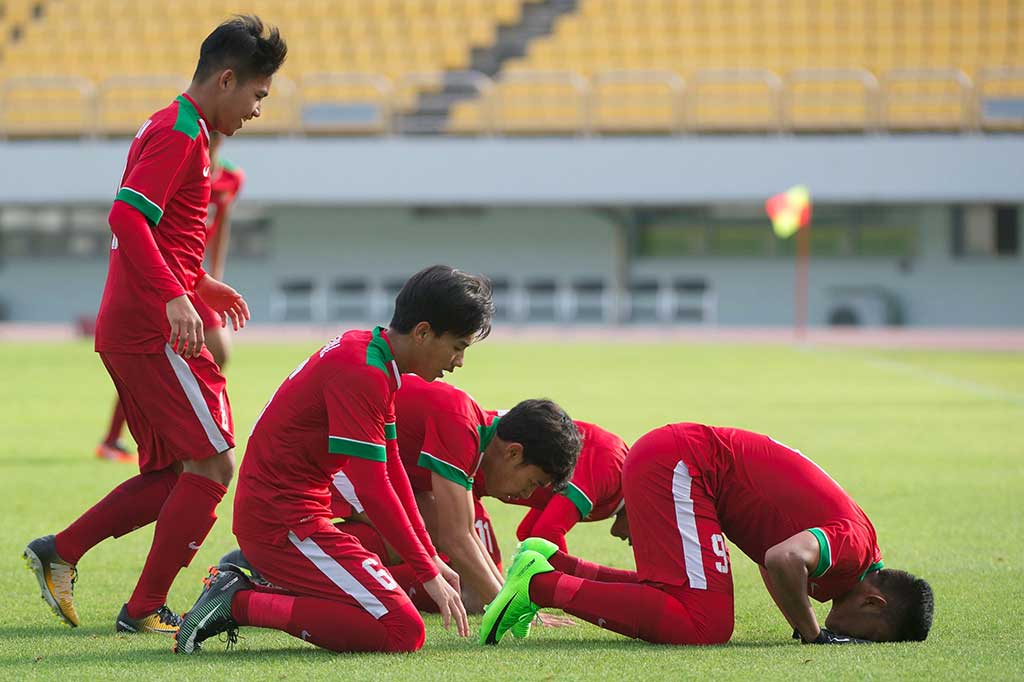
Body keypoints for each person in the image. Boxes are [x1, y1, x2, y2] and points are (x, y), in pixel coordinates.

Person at [23, 16, 286, 634]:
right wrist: (175, 297)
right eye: (257, 95)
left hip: (144, 322)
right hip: (152, 330)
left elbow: (162, 232)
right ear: (227, 79)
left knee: (177, 474)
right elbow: (126, 218)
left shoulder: (178, 126)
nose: (256, 110)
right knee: (215, 466)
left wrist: (198, 283)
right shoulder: (178, 131)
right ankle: (142, 609)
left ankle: (59, 552)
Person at [174, 265, 493, 655]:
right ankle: (239, 600)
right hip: (285, 524)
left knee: (393, 613)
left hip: (295, 517)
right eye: (458, 346)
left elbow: (392, 468)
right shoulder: (364, 373)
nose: (458, 361)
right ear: (423, 332)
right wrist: (427, 571)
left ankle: (260, 583)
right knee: (402, 631)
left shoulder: (375, 356)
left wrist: (427, 557)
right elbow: (374, 489)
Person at [481, 423, 934, 646]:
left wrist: (801, 624)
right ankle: (538, 586)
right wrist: (813, 633)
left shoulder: (853, 554)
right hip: (682, 463)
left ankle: (559, 568)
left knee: (683, 598)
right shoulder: (854, 550)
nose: (855, 639)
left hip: (681, 462)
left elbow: (772, 556)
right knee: (705, 622)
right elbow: (782, 558)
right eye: (870, 635)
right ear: (875, 603)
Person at [333, 375, 582, 613]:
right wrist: (508, 611)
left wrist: (511, 602)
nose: (526, 494)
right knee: (414, 537)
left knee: (434, 543)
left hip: (358, 450)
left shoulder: (476, 430)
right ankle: (305, 574)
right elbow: (455, 537)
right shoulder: (461, 425)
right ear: (513, 453)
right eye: (531, 483)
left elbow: (466, 532)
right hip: (343, 450)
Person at [94, 130, 245, 463]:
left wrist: (214, 274)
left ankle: (159, 429)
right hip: (171, 275)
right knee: (199, 350)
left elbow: (221, 227)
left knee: (203, 352)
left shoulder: (230, 178)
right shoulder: (179, 158)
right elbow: (129, 216)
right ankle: (147, 432)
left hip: (196, 276)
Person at [474, 416, 628, 555]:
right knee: (481, 577)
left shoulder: (618, 476)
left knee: (484, 574)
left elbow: (532, 534)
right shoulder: (610, 466)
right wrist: (572, 583)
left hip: (469, 471)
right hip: (463, 466)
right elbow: (547, 531)